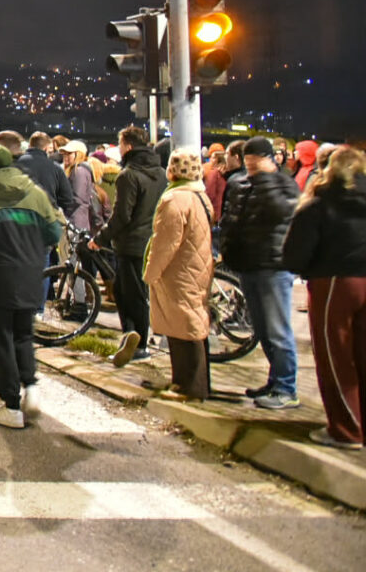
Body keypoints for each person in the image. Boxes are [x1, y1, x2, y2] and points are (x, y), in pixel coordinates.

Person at [0, 145, 64, 428]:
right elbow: (54, 232)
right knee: (22, 333)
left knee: (1, 338)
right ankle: (31, 386)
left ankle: (11, 405)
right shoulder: (34, 192)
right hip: (30, 272)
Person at [283, 146, 366, 449]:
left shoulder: (319, 203)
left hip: (335, 282)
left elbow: (295, 255)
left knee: (336, 356)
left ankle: (346, 429)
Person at [221, 135, 302, 408]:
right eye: (248, 163)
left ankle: (286, 388)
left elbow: (283, 215)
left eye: (255, 162)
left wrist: (264, 181)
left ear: (269, 159)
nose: (250, 167)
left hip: (274, 266)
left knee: (278, 331)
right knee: (263, 331)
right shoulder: (241, 184)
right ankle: (274, 381)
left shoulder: (284, 184)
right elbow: (231, 220)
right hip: (248, 264)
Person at [143, 150, 216, 401]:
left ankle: (188, 387)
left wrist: (151, 272)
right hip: (196, 267)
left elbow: (165, 243)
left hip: (179, 271)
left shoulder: (175, 199)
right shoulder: (200, 196)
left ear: (172, 170)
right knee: (192, 322)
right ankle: (197, 383)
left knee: (183, 327)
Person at [99, 125, 166, 366]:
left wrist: (100, 238)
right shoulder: (160, 172)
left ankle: (136, 343)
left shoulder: (128, 175)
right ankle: (135, 340)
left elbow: (122, 216)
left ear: (127, 145)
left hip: (130, 244)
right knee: (136, 293)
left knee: (129, 295)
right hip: (151, 240)